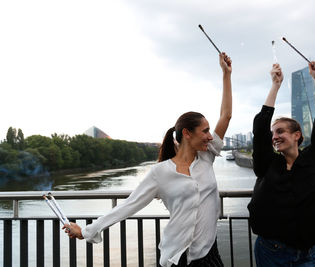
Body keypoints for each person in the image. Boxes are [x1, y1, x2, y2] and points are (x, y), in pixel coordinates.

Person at [64, 52, 232, 267]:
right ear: (187, 134)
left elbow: (226, 115)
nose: (211, 136)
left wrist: (226, 75)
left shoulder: (207, 157)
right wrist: (87, 231)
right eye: (205, 131)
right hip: (176, 257)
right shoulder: (160, 173)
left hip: (207, 253)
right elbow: (129, 205)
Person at [247, 62, 315, 266]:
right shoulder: (267, 164)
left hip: (307, 253)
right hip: (271, 251)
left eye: (280, 131)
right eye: (273, 133)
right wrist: (275, 85)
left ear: (297, 135)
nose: (275, 137)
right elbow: (260, 126)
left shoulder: (311, 158)